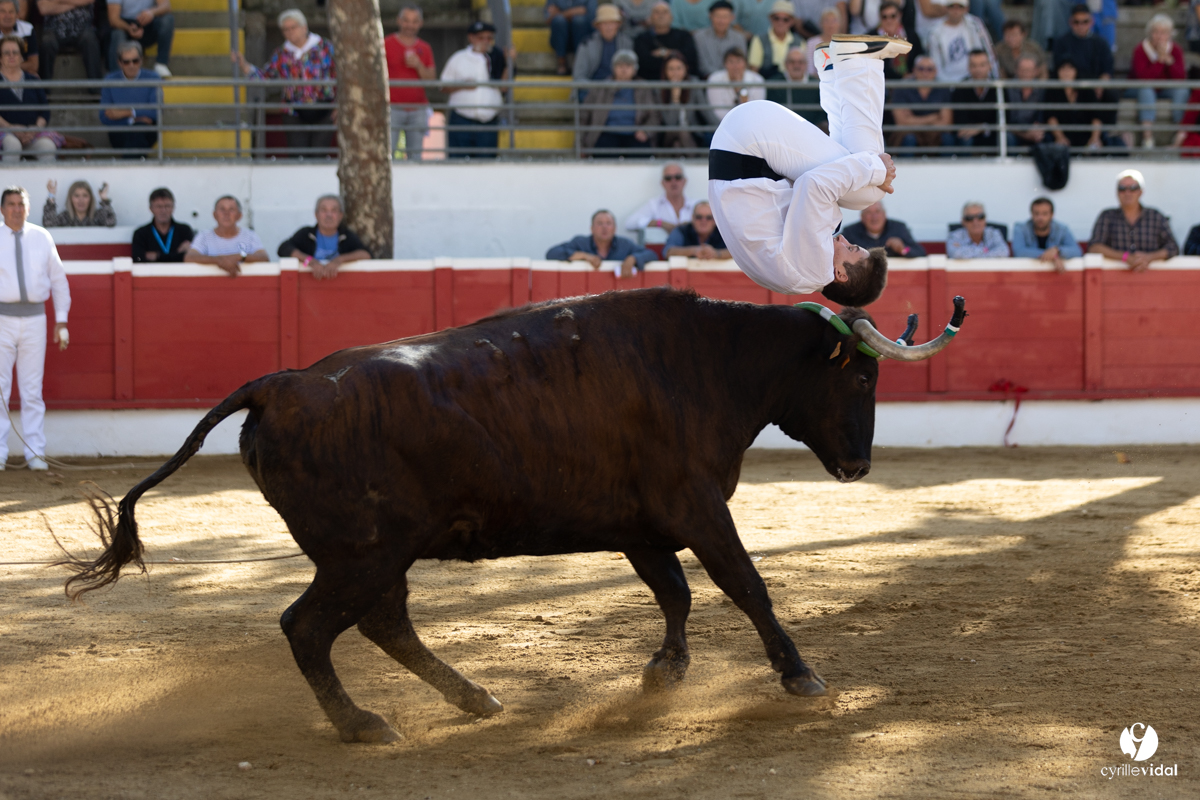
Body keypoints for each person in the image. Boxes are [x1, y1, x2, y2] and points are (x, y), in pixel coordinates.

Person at [707, 35, 906, 303]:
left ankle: (855, 59)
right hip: (739, 145)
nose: (846, 239)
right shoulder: (801, 277)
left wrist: (876, 169)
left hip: (748, 142)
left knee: (868, 193)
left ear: (840, 274)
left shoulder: (813, 268)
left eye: (853, 249)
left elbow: (813, 186)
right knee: (855, 185)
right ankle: (833, 67)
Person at [0, 186, 70, 471]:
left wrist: (61, 320)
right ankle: (0, 454)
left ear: (28, 208)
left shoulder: (42, 236)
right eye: (11, 204)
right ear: (3, 209)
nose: (17, 209)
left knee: (31, 389)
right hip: (1, 319)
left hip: (35, 320)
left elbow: (58, 280)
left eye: (21, 204)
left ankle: (35, 453)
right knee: (0, 389)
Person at [232, 9, 336, 158]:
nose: (289, 32)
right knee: (297, 155)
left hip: (324, 108)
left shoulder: (325, 47)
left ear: (304, 27)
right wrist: (245, 67)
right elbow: (266, 77)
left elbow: (340, 75)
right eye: (285, 30)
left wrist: (339, 104)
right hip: (294, 110)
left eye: (293, 28)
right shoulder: (281, 53)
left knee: (318, 155)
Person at [1087, 169, 1179, 272]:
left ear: (1141, 191)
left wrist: (1149, 257)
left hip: (1153, 281)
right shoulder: (1107, 216)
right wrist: (1125, 257)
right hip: (1116, 281)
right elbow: (1094, 247)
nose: (1127, 192)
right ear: (1117, 192)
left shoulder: (1155, 216)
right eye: (1122, 188)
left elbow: (1173, 247)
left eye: (1133, 188)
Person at [441, 21, 506, 159]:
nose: (485, 42)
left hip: (488, 121)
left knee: (486, 166)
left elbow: (504, 86)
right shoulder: (458, 58)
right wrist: (462, 85)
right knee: (457, 163)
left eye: (489, 38)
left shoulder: (498, 57)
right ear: (471, 38)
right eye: (481, 38)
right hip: (461, 119)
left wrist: (509, 62)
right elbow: (443, 86)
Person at [1051, 5, 1115, 138]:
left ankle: (1105, 134)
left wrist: (1101, 84)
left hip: (1094, 85)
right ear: (1070, 22)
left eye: (1085, 22)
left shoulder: (1100, 42)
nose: (1081, 25)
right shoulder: (1062, 42)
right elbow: (1059, 67)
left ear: (1091, 22)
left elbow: (1107, 68)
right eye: (1076, 22)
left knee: (1111, 94)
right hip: (1071, 84)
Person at [579, 49, 658, 156]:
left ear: (635, 70)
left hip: (634, 134)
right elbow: (584, 116)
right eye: (620, 65)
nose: (624, 69)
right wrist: (582, 144)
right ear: (613, 68)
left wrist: (646, 131)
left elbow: (654, 116)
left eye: (628, 66)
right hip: (606, 133)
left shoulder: (643, 88)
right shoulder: (600, 88)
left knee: (641, 155)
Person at [1128, 14, 1188, 150]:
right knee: (1146, 90)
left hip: (1165, 89)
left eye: (1164, 33)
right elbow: (1143, 78)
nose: (1159, 36)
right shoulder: (1140, 50)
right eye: (1156, 32)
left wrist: (1170, 62)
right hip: (1140, 89)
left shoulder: (1176, 50)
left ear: (1170, 35)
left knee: (1182, 91)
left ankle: (1180, 133)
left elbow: (1180, 78)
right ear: (1150, 33)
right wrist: (1160, 61)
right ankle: (1147, 138)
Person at [385, 4, 436, 162]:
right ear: (399, 21)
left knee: (416, 157)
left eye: (414, 21)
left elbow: (431, 80)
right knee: (388, 155)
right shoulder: (385, 44)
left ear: (420, 23)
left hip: (417, 109)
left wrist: (419, 65)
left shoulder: (425, 48)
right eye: (406, 20)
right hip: (391, 107)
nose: (410, 25)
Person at [277, 195, 371, 279]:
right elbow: (283, 249)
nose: (329, 215)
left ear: (340, 215)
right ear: (316, 215)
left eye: (334, 210)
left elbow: (365, 254)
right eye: (324, 210)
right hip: (309, 288)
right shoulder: (306, 234)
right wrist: (310, 261)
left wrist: (339, 260)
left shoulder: (346, 236)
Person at [545, 208, 658, 278]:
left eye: (608, 223)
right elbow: (551, 253)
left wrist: (632, 259)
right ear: (592, 228)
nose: (604, 227)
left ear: (614, 228)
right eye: (599, 223)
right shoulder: (581, 242)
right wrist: (584, 256)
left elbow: (652, 254)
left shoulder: (625, 244)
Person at [0, 35, 58, 162]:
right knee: (13, 145)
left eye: (15, 52)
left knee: (47, 147)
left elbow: (44, 111)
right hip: (4, 132)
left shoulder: (33, 80)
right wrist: (10, 127)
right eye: (6, 53)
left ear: (22, 57)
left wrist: (34, 129)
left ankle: (48, 182)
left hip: (31, 134)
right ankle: (8, 182)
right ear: (0, 57)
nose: (11, 56)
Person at [99, 41, 159, 154]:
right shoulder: (110, 80)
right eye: (126, 62)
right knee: (135, 134)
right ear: (119, 63)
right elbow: (103, 116)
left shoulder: (153, 78)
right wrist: (133, 119)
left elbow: (156, 111)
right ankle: (136, 166)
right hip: (119, 132)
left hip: (146, 131)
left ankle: (128, 166)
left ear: (141, 60)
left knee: (138, 131)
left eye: (135, 61)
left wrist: (125, 112)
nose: (131, 65)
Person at [184, 195, 269, 276]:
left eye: (231, 209)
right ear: (214, 215)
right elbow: (189, 258)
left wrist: (239, 257)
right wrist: (219, 260)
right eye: (222, 209)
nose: (226, 214)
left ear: (239, 216)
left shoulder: (250, 236)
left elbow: (264, 258)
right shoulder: (204, 236)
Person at [1045, 59, 1118, 151]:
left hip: (1085, 137)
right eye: (1063, 69)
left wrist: (1094, 138)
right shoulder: (1052, 92)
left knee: (1103, 144)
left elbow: (1096, 116)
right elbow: (1051, 118)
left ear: (1076, 71)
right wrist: (1060, 137)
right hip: (1062, 138)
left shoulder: (1086, 90)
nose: (1066, 72)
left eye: (1070, 69)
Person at [889, 55, 953, 152]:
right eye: (921, 69)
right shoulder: (902, 88)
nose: (925, 73)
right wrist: (932, 118)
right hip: (910, 133)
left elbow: (946, 123)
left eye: (929, 69)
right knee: (908, 139)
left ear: (935, 71)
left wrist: (912, 120)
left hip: (934, 134)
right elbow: (901, 122)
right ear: (914, 70)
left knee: (947, 138)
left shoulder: (943, 89)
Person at [924, 0, 996, 83]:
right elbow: (936, 64)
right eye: (952, 7)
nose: (956, 11)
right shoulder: (935, 32)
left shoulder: (974, 24)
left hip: (974, 80)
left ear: (966, 9)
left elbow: (989, 53)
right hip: (947, 82)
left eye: (960, 7)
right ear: (946, 8)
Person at [624, 161, 696, 237]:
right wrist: (660, 223)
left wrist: (691, 225)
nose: (673, 181)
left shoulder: (696, 205)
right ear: (662, 183)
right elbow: (629, 223)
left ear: (684, 181)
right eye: (668, 178)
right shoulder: (654, 205)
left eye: (678, 177)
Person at [36, 0, 103, 81]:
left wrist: (56, 3)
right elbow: (43, 9)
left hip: (83, 28)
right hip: (53, 29)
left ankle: (96, 88)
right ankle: (44, 89)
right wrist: (77, 4)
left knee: (90, 40)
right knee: (47, 42)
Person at [654, 51, 707, 149]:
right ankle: (692, 161)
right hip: (668, 133)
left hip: (692, 132)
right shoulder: (660, 88)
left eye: (679, 68)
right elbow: (670, 122)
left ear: (685, 68)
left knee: (678, 144)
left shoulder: (694, 83)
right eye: (671, 69)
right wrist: (675, 98)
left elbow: (706, 111)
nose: (675, 73)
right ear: (665, 71)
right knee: (679, 132)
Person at [1010, 197, 1080, 271]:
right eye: (1036, 213)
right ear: (1031, 214)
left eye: (1045, 214)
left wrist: (1058, 250)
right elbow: (1019, 252)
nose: (1040, 217)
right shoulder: (1020, 228)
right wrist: (1053, 256)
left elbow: (1077, 251)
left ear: (1052, 215)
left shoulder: (1062, 229)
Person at [106, 0, 173, 76]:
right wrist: (128, 28)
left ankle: (161, 63)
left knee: (168, 19)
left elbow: (166, 6)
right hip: (125, 24)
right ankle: (116, 74)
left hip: (148, 22)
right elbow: (113, 19)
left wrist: (151, 13)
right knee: (117, 34)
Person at [634, 2, 699, 79]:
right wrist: (675, 55)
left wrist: (663, 53)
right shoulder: (641, 38)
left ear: (671, 17)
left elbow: (690, 59)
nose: (661, 16)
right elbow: (643, 63)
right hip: (651, 81)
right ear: (651, 18)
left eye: (665, 12)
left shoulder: (684, 36)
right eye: (657, 12)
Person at [766, 46, 825, 127]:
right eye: (792, 62)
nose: (796, 65)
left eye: (800, 62)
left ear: (806, 65)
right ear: (785, 64)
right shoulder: (773, 85)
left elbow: (821, 117)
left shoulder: (817, 86)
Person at [573, 4, 633, 83]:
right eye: (605, 24)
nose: (609, 28)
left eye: (612, 23)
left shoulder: (627, 43)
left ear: (618, 25)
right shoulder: (586, 44)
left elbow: (631, 72)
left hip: (619, 88)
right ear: (598, 26)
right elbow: (579, 75)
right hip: (593, 88)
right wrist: (594, 90)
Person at [951, 49, 997, 150]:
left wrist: (981, 128)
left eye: (982, 65)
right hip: (968, 134)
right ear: (968, 67)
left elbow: (1000, 119)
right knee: (965, 138)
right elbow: (959, 120)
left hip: (991, 134)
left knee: (1005, 137)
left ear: (990, 66)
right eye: (974, 65)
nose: (978, 70)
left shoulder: (997, 88)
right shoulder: (960, 89)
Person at [842, 200, 926, 257]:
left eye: (877, 211)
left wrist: (903, 249)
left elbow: (920, 252)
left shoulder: (898, 228)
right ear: (862, 217)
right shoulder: (850, 232)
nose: (874, 217)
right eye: (869, 212)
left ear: (884, 214)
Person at [131, 187, 193, 262]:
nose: (163, 210)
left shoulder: (184, 230)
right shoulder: (141, 233)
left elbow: (189, 257)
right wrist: (175, 255)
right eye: (159, 206)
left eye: (167, 206)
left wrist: (157, 256)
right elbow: (138, 258)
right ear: (151, 208)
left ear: (173, 208)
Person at [705, 48, 765, 123]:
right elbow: (718, 112)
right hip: (721, 125)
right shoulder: (714, 80)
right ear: (725, 64)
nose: (735, 66)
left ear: (745, 64)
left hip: (751, 124)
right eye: (731, 62)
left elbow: (756, 110)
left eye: (738, 61)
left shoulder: (757, 80)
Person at [747, 0, 801, 80]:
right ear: (771, 19)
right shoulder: (759, 40)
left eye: (785, 19)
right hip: (767, 86)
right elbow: (754, 71)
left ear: (792, 21)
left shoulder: (800, 42)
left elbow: (803, 71)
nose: (780, 22)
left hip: (792, 87)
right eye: (776, 18)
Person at [1004, 55, 1046, 147]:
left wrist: (1036, 129)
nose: (1025, 74)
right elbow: (1006, 121)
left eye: (1029, 70)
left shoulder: (1042, 90)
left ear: (1036, 71)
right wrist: (1025, 134)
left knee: (1043, 137)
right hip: (1013, 131)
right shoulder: (1007, 89)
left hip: (1033, 131)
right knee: (1007, 138)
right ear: (1016, 70)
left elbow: (1042, 117)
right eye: (1022, 70)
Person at [692, 0, 742, 78]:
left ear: (732, 18)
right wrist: (720, 78)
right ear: (710, 16)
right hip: (707, 80)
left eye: (725, 17)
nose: (721, 21)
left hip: (733, 80)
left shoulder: (739, 38)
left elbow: (741, 63)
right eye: (718, 16)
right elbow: (702, 65)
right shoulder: (699, 37)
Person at [874, 0, 921, 79]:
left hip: (910, 84)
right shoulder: (872, 38)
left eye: (893, 16)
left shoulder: (911, 35)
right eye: (884, 17)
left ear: (900, 15)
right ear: (880, 18)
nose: (889, 21)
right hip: (883, 83)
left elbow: (919, 57)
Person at [664, 201, 729, 258]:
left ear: (715, 220)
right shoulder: (681, 230)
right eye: (699, 217)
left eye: (709, 217)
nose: (704, 221)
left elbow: (737, 251)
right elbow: (668, 252)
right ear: (692, 218)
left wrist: (716, 254)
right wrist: (694, 251)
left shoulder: (723, 232)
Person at [546, 0, 595, 75]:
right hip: (561, 37)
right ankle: (561, 63)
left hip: (582, 35)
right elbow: (548, 18)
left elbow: (592, 18)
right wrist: (574, 12)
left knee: (579, 22)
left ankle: (580, 63)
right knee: (559, 21)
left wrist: (561, 13)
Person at [43, 180, 115, 227]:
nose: (81, 200)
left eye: (85, 196)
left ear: (91, 198)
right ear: (70, 199)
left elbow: (111, 222)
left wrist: (104, 200)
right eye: (77, 196)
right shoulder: (65, 217)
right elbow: (48, 223)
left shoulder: (97, 216)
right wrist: (51, 196)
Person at [0, 0, 36, 74]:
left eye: (11, 12)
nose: (7, 15)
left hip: (21, 74)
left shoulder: (27, 30)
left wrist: (9, 66)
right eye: (3, 11)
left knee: (34, 76)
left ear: (17, 14)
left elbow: (33, 65)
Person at [805, 8, 843, 78]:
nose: (830, 25)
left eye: (834, 21)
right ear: (820, 24)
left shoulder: (845, 44)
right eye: (826, 21)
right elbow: (809, 70)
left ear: (839, 24)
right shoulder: (812, 43)